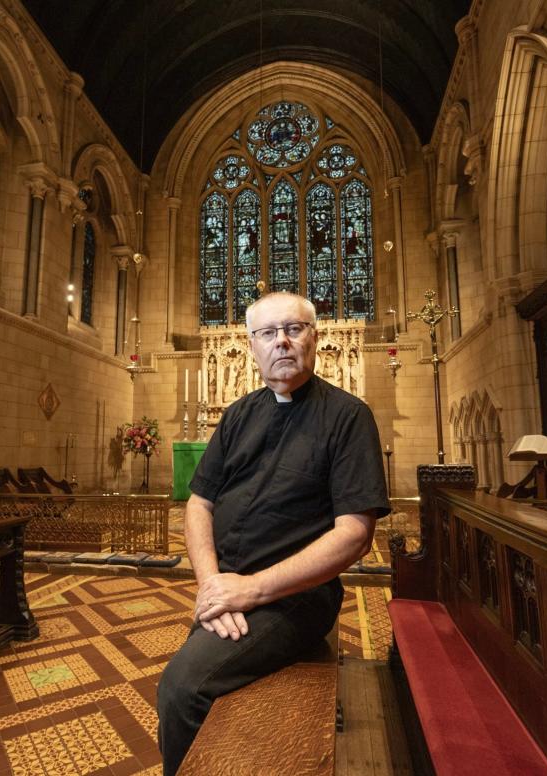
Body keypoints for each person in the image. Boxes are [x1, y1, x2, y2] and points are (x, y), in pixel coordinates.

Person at [156, 291, 390, 774]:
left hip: (294, 597)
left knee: (183, 689)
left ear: (316, 339)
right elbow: (199, 503)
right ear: (251, 346)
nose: (281, 341)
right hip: (228, 586)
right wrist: (212, 585)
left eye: (293, 329)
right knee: (196, 678)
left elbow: (354, 534)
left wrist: (249, 588)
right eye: (267, 333)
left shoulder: (348, 417)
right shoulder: (239, 414)